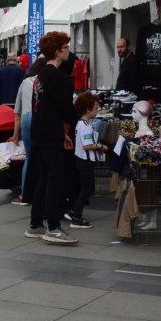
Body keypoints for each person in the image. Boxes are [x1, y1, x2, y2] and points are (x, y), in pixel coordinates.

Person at [25, 31, 79, 245]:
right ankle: (53, 227)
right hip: (49, 134)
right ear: (57, 51)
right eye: (66, 47)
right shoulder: (57, 77)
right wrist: (75, 117)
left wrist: (61, 132)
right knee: (54, 180)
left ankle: (35, 223)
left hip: (40, 131)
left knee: (43, 179)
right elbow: (65, 108)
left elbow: (43, 107)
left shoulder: (40, 76)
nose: (68, 51)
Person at [66, 92, 107, 229]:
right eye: (96, 108)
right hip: (86, 160)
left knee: (86, 188)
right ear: (88, 109)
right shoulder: (86, 126)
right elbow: (87, 145)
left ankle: (75, 211)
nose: (98, 110)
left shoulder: (80, 124)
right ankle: (76, 214)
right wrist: (100, 146)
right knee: (87, 189)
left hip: (81, 159)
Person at [11, 57, 47, 205]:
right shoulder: (47, 80)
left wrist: (15, 136)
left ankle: (25, 194)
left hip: (26, 118)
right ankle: (42, 192)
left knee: (29, 157)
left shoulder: (25, 82)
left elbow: (17, 114)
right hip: (42, 119)